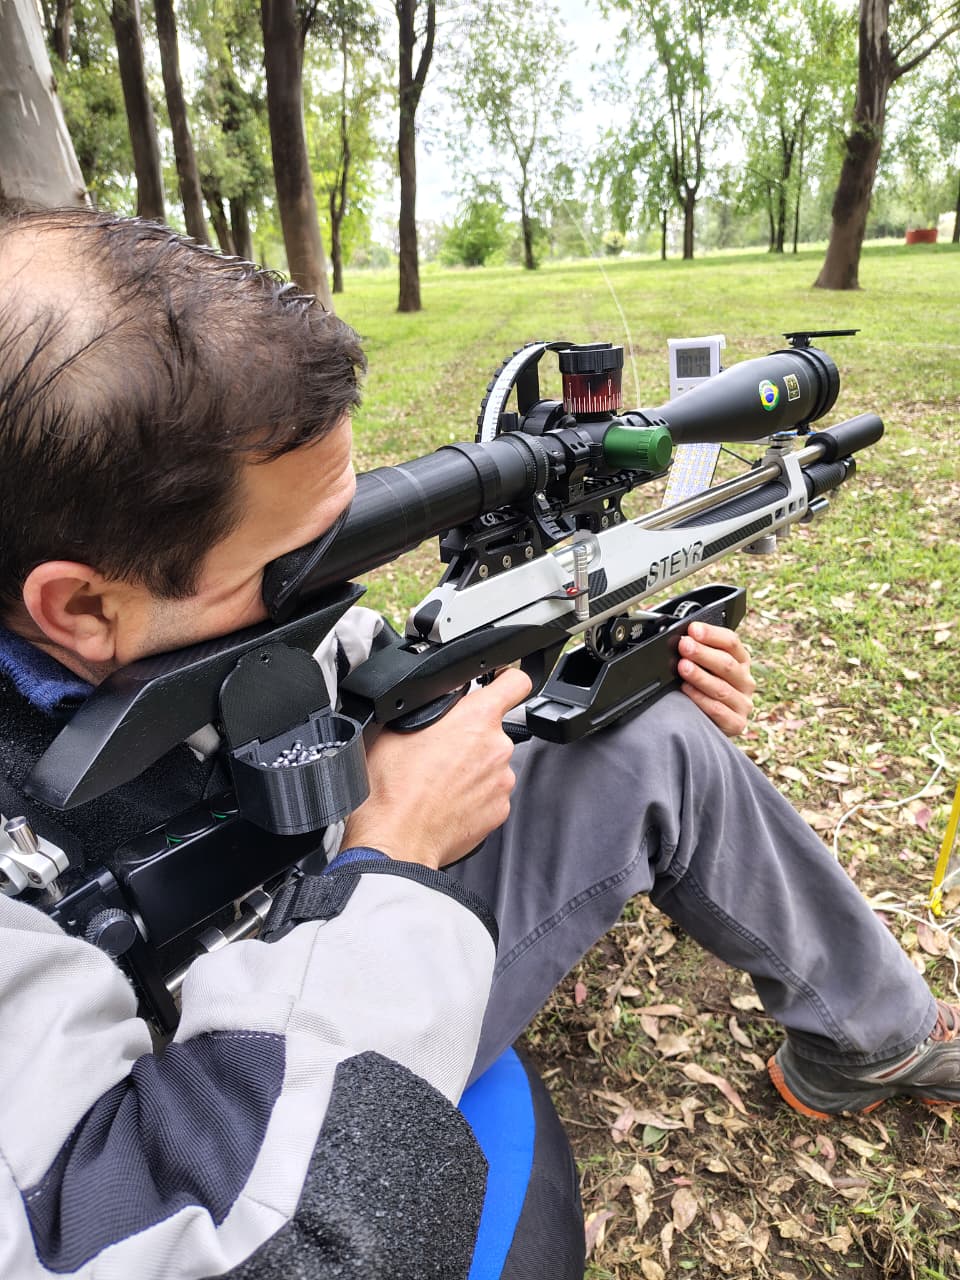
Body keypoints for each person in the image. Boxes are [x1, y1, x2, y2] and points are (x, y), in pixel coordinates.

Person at [0, 207, 957, 1280]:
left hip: (315, 926)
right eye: (300, 564)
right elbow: (230, 1237)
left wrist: (611, 678)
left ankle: (874, 1039)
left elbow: (367, 675)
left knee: (658, 735)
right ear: (81, 606)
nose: (342, 580)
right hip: (248, 1088)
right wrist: (391, 860)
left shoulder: (184, 622)